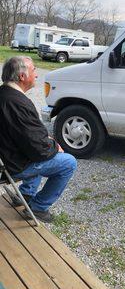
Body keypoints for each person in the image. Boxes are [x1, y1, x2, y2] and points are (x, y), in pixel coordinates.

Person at [0, 56, 77, 223]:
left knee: (41, 151)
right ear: (22, 76)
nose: (36, 75)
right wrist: (55, 146)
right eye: (34, 70)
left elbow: (28, 134)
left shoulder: (4, 94)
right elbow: (39, 150)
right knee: (69, 162)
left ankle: (26, 195)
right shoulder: (18, 103)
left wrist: (46, 139)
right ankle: (38, 207)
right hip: (14, 164)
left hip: (7, 157)